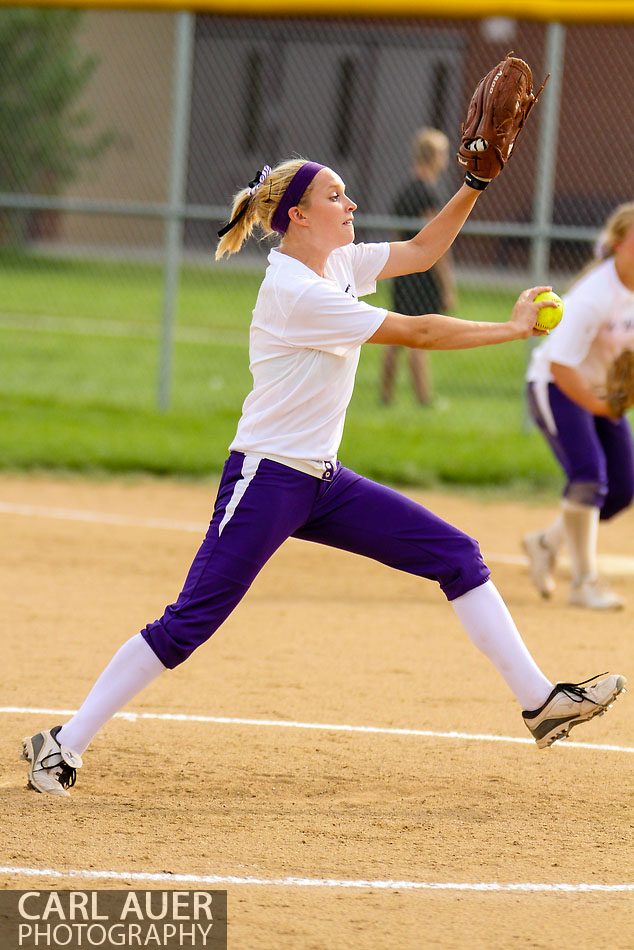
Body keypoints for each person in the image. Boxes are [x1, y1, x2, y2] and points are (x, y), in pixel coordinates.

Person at [22, 158, 626, 798]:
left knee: (456, 555)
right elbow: (416, 331)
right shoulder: (294, 291)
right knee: (188, 623)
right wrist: (510, 330)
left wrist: (473, 185)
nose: (351, 204)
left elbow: (423, 250)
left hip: (323, 482)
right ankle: (61, 746)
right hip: (268, 479)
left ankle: (540, 703)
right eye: (335, 196)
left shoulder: (335, 263)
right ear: (298, 217)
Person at [523, 202, 634, 610]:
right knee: (589, 474)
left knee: (621, 489)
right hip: (555, 385)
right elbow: (560, 365)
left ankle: (545, 543)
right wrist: (601, 407)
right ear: (619, 244)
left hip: (598, 391)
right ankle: (584, 583)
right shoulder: (595, 296)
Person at [381, 128, 456, 406]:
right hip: (421, 275)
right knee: (419, 338)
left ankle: (386, 397)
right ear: (433, 156)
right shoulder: (426, 193)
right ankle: (425, 399)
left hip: (402, 272)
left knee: (395, 337)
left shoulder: (404, 191)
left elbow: (396, 237)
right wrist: (447, 286)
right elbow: (434, 244)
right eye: (443, 153)